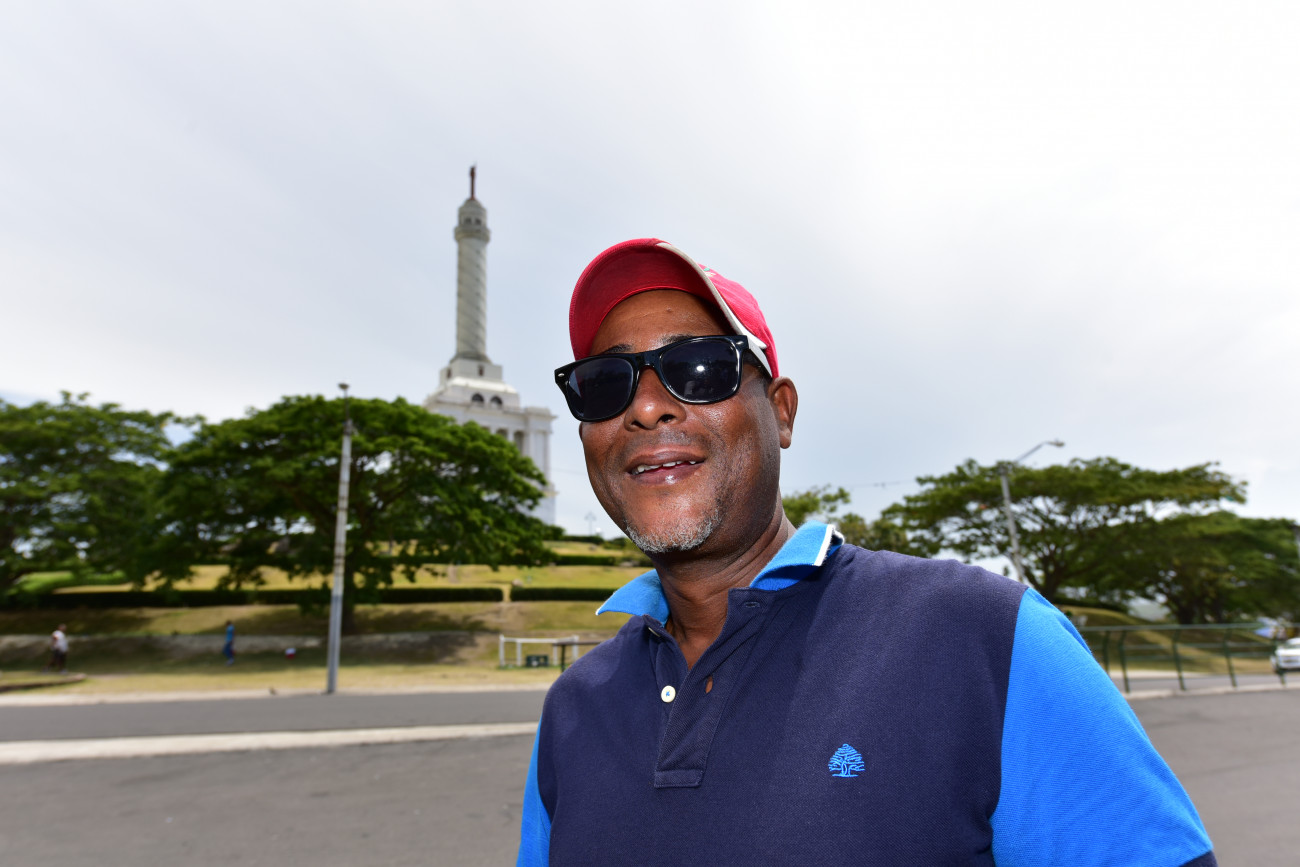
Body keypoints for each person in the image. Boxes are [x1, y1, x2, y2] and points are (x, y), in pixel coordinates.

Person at [517, 238, 1217, 866]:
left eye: (697, 367)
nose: (645, 407)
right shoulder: (572, 711)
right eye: (604, 384)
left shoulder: (987, 636)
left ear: (781, 411)